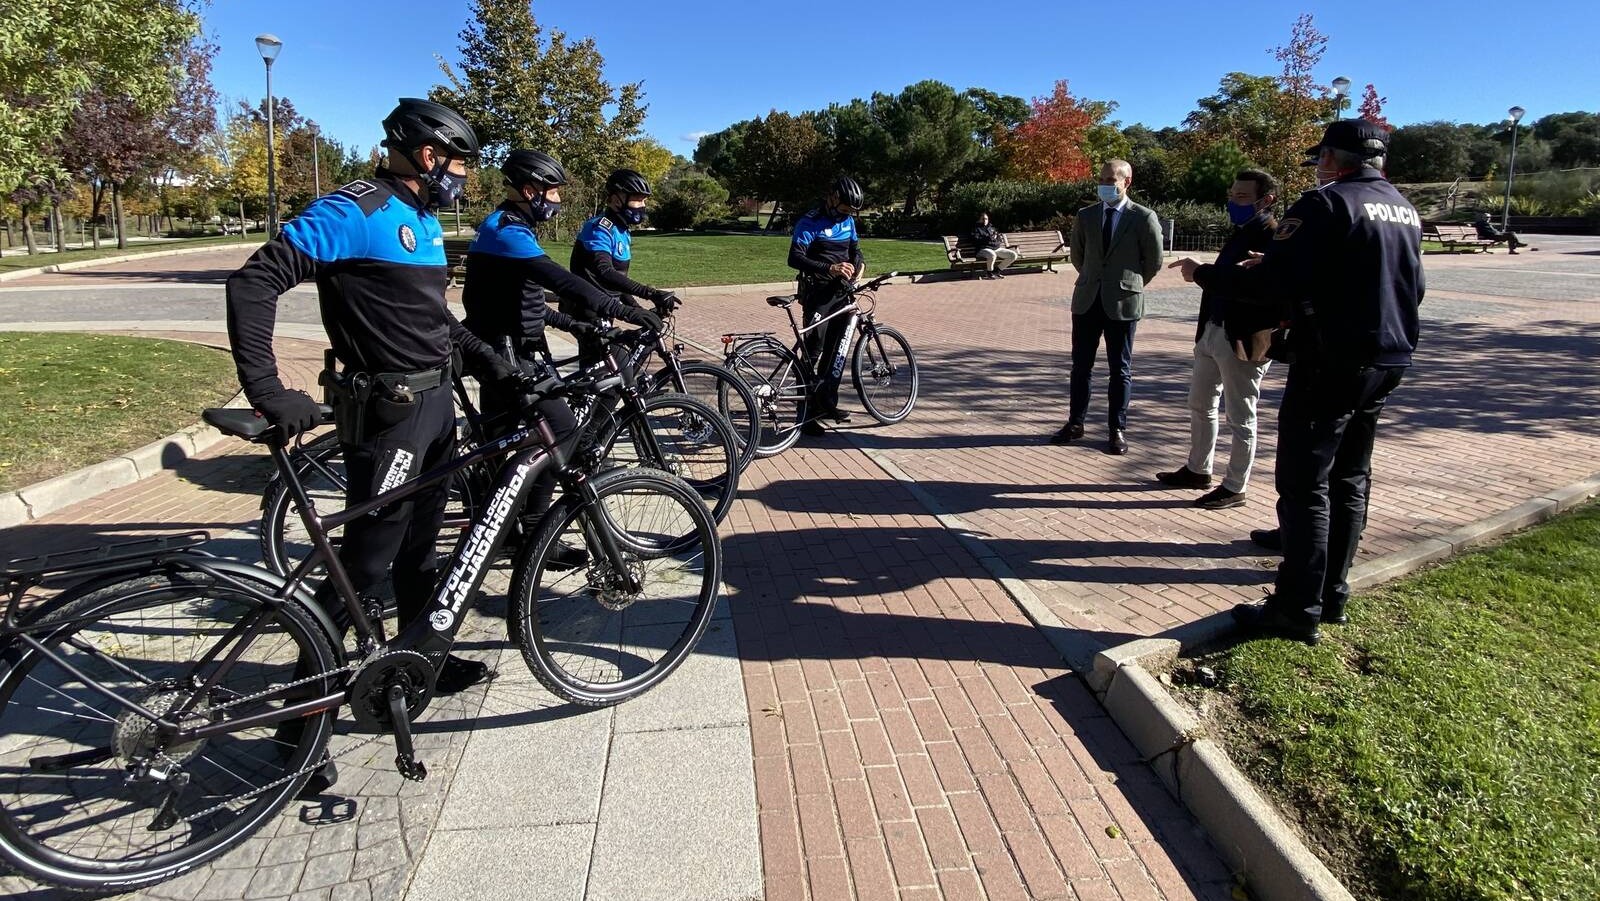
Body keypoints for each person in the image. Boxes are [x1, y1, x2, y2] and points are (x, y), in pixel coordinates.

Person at [227, 98, 520, 794]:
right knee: (362, 568)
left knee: (422, 552)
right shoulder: (354, 209)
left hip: (436, 406)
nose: (464, 178)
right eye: (459, 164)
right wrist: (268, 389)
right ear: (428, 156)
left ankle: (427, 660)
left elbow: (431, 321)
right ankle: (298, 730)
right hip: (387, 416)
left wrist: (491, 358)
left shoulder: (419, 218)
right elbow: (255, 280)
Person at [1170, 119, 1424, 645]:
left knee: (1305, 483)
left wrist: (1204, 275)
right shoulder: (1401, 206)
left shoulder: (1325, 202)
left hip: (1331, 360)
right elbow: (1406, 283)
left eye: (1321, 157)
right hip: (1387, 356)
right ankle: (1332, 593)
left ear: (1335, 158)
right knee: (1351, 477)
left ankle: (1295, 606)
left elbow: (1270, 285)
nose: (1318, 166)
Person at [462, 150, 654, 556]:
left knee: (525, 441)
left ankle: (512, 526)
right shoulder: (506, 231)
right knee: (562, 431)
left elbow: (530, 302)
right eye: (552, 193)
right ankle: (531, 532)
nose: (557, 201)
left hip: (518, 346)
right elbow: (561, 281)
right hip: (507, 352)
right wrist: (622, 310)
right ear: (529, 190)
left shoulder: (513, 228)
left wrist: (574, 325)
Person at [1156, 169, 1280, 510]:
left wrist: (1203, 271)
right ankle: (1198, 468)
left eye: (1241, 197)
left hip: (1243, 340)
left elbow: (1257, 288)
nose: (1232, 202)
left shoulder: (1273, 236)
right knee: (1200, 404)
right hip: (1213, 331)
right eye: (1232, 195)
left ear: (1265, 200)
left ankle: (1235, 485)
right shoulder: (1242, 232)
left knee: (1241, 416)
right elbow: (1229, 279)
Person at [1052, 159, 1164, 455]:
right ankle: (1075, 423)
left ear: (1127, 181)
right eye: (1101, 178)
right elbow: (1079, 255)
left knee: (1120, 369)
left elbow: (1153, 262)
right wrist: (1093, 277)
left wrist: (1128, 283)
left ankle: (1117, 429)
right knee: (1081, 367)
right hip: (1088, 299)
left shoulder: (1143, 217)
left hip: (1123, 302)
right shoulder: (1086, 215)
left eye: (1110, 179)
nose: (1104, 184)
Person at [567, 168, 677, 357]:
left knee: (619, 372)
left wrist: (637, 308)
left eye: (644, 201)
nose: (642, 206)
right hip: (588, 311)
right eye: (637, 199)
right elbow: (605, 272)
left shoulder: (622, 230)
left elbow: (618, 281)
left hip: (605, 308)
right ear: (617, 199)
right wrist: (650, 293)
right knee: (613, 372)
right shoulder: (599, 228)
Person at [788, 175, 866, 436]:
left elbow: (855, 249)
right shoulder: (810, 222)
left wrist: (859, 265)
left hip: (842, 294)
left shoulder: (848, 221)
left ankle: (826, 404)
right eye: (844, 209)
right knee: (813, 351)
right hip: (818, 295)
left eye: (851, 211)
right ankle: (806, 413)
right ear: (832, 198)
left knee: (837, 352)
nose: (847, 215)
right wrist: (830, 268)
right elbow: (794, 257)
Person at [971, 212, 1017, 279]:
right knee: (992, 254)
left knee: (1013, 255)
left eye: (986, 219)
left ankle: (996, 271)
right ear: (979, 220)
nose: (985, 221)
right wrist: (987, 238)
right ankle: (989, 273)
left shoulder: (991, 228)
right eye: (983, 219)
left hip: (996, 248)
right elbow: (975, 240)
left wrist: (996, 238)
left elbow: (999, 239)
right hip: (983, 249)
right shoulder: (976, 229)